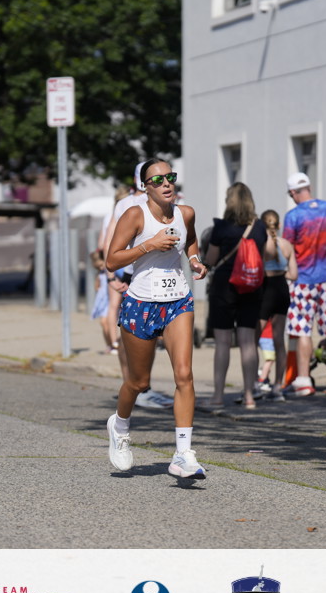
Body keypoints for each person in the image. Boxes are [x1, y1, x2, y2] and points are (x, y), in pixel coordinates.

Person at [104, 158, 209, 479]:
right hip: (141, 303)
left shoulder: (185, 213)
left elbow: (190, 240)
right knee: (139, 382)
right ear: (145, 187)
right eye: (158, 180)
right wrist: (149, 245)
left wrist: (195, 260)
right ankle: (120, 427)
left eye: (170, 177)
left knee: (184, 375)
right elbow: (112, 260)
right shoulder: (135, 215)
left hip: (178, 300)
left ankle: (183, 454)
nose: (166, 184)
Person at [102, 163, 175, 410]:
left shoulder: (163, 201)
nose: (165, 182)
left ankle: (139, 386)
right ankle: (136, 386)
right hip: (133, 273)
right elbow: (109, 244)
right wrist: (111, 277)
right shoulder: (127, 206)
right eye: (158, 178)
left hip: (148, 274)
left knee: (142, 334)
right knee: (135, 334)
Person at [203, 182, 267, 408]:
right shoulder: (259, 227)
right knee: (248, 342)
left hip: (224, 286)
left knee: (222, 342)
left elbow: (211, 260)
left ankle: (218, 396)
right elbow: (262, 257)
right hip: (251, 286)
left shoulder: (221, 227)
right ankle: (249, 395)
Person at [282, 172, 326, 397]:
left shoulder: (293, 216)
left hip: (303, 280)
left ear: (293, 193)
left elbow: (287, 249)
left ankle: (304, 380)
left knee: (303, 329)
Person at [255, 208, 296, 401]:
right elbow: (294, 275)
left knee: (254, 338)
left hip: (265, 289)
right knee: (279, 341)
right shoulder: (287, 245)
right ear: (279, 225)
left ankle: (254, 384)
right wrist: (282, 272)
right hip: (282, 289)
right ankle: (278, 386)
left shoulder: (261, 244)